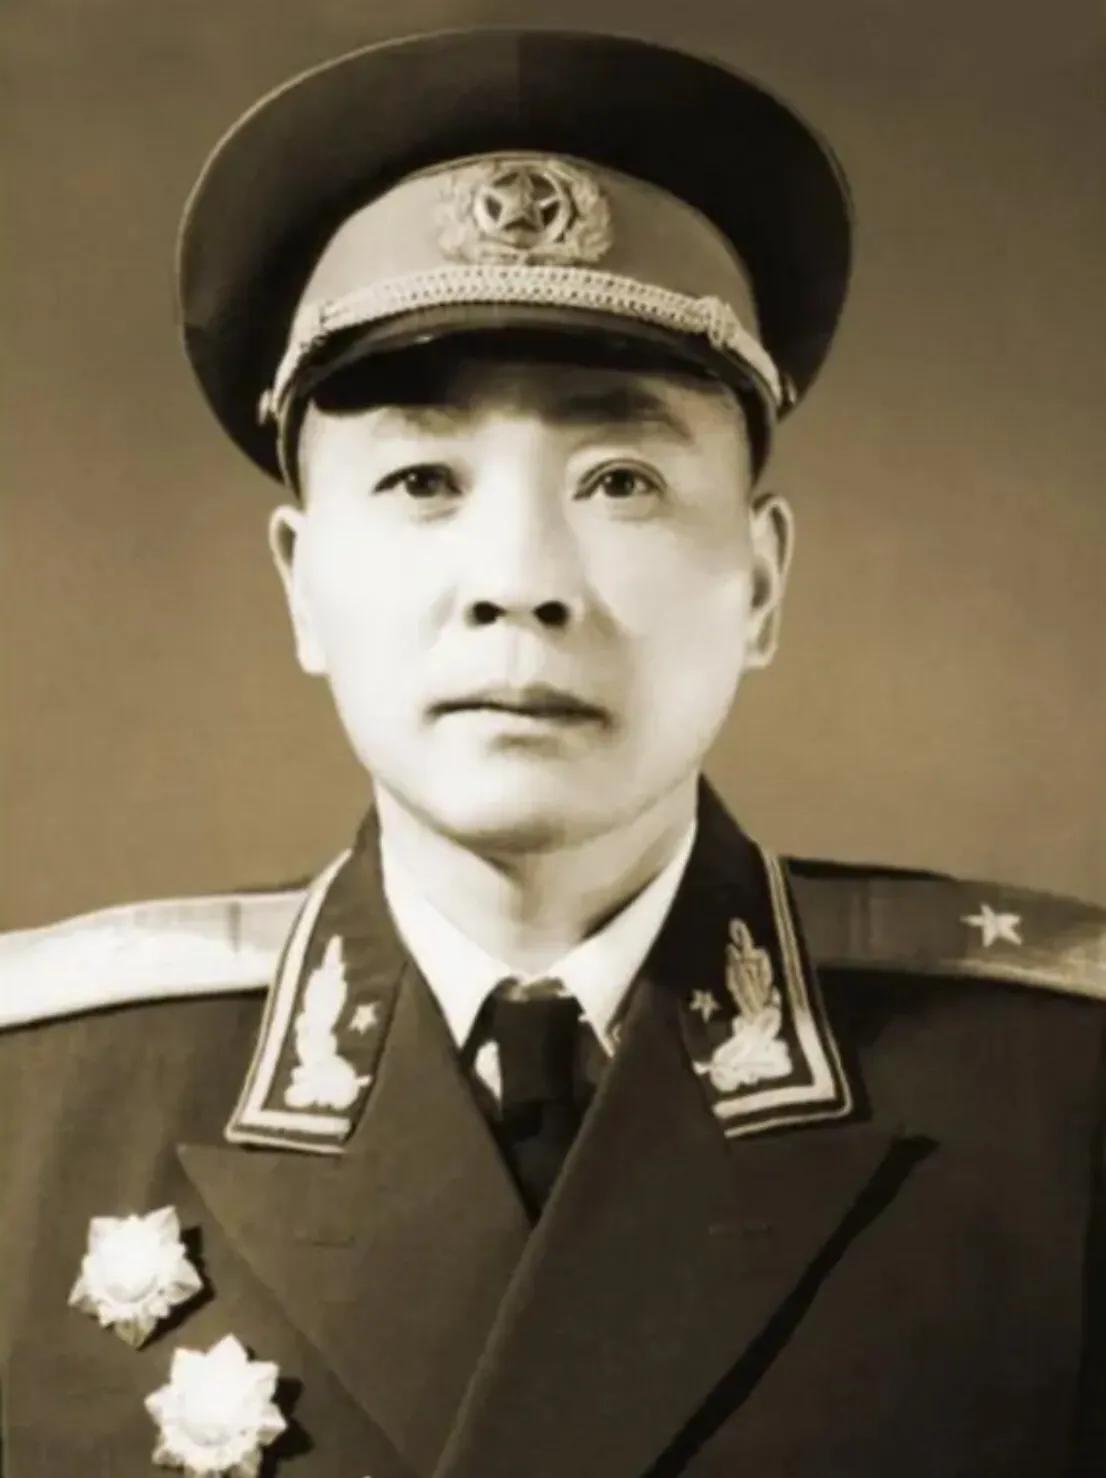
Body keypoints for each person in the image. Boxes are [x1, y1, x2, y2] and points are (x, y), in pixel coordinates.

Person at [1, 28, 1102, 1478]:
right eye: (422, 479)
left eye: (621, 480)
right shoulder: (36, 1115)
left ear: (759, 584)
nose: (519, 581)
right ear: (300, 584)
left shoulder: (1060, 1103)